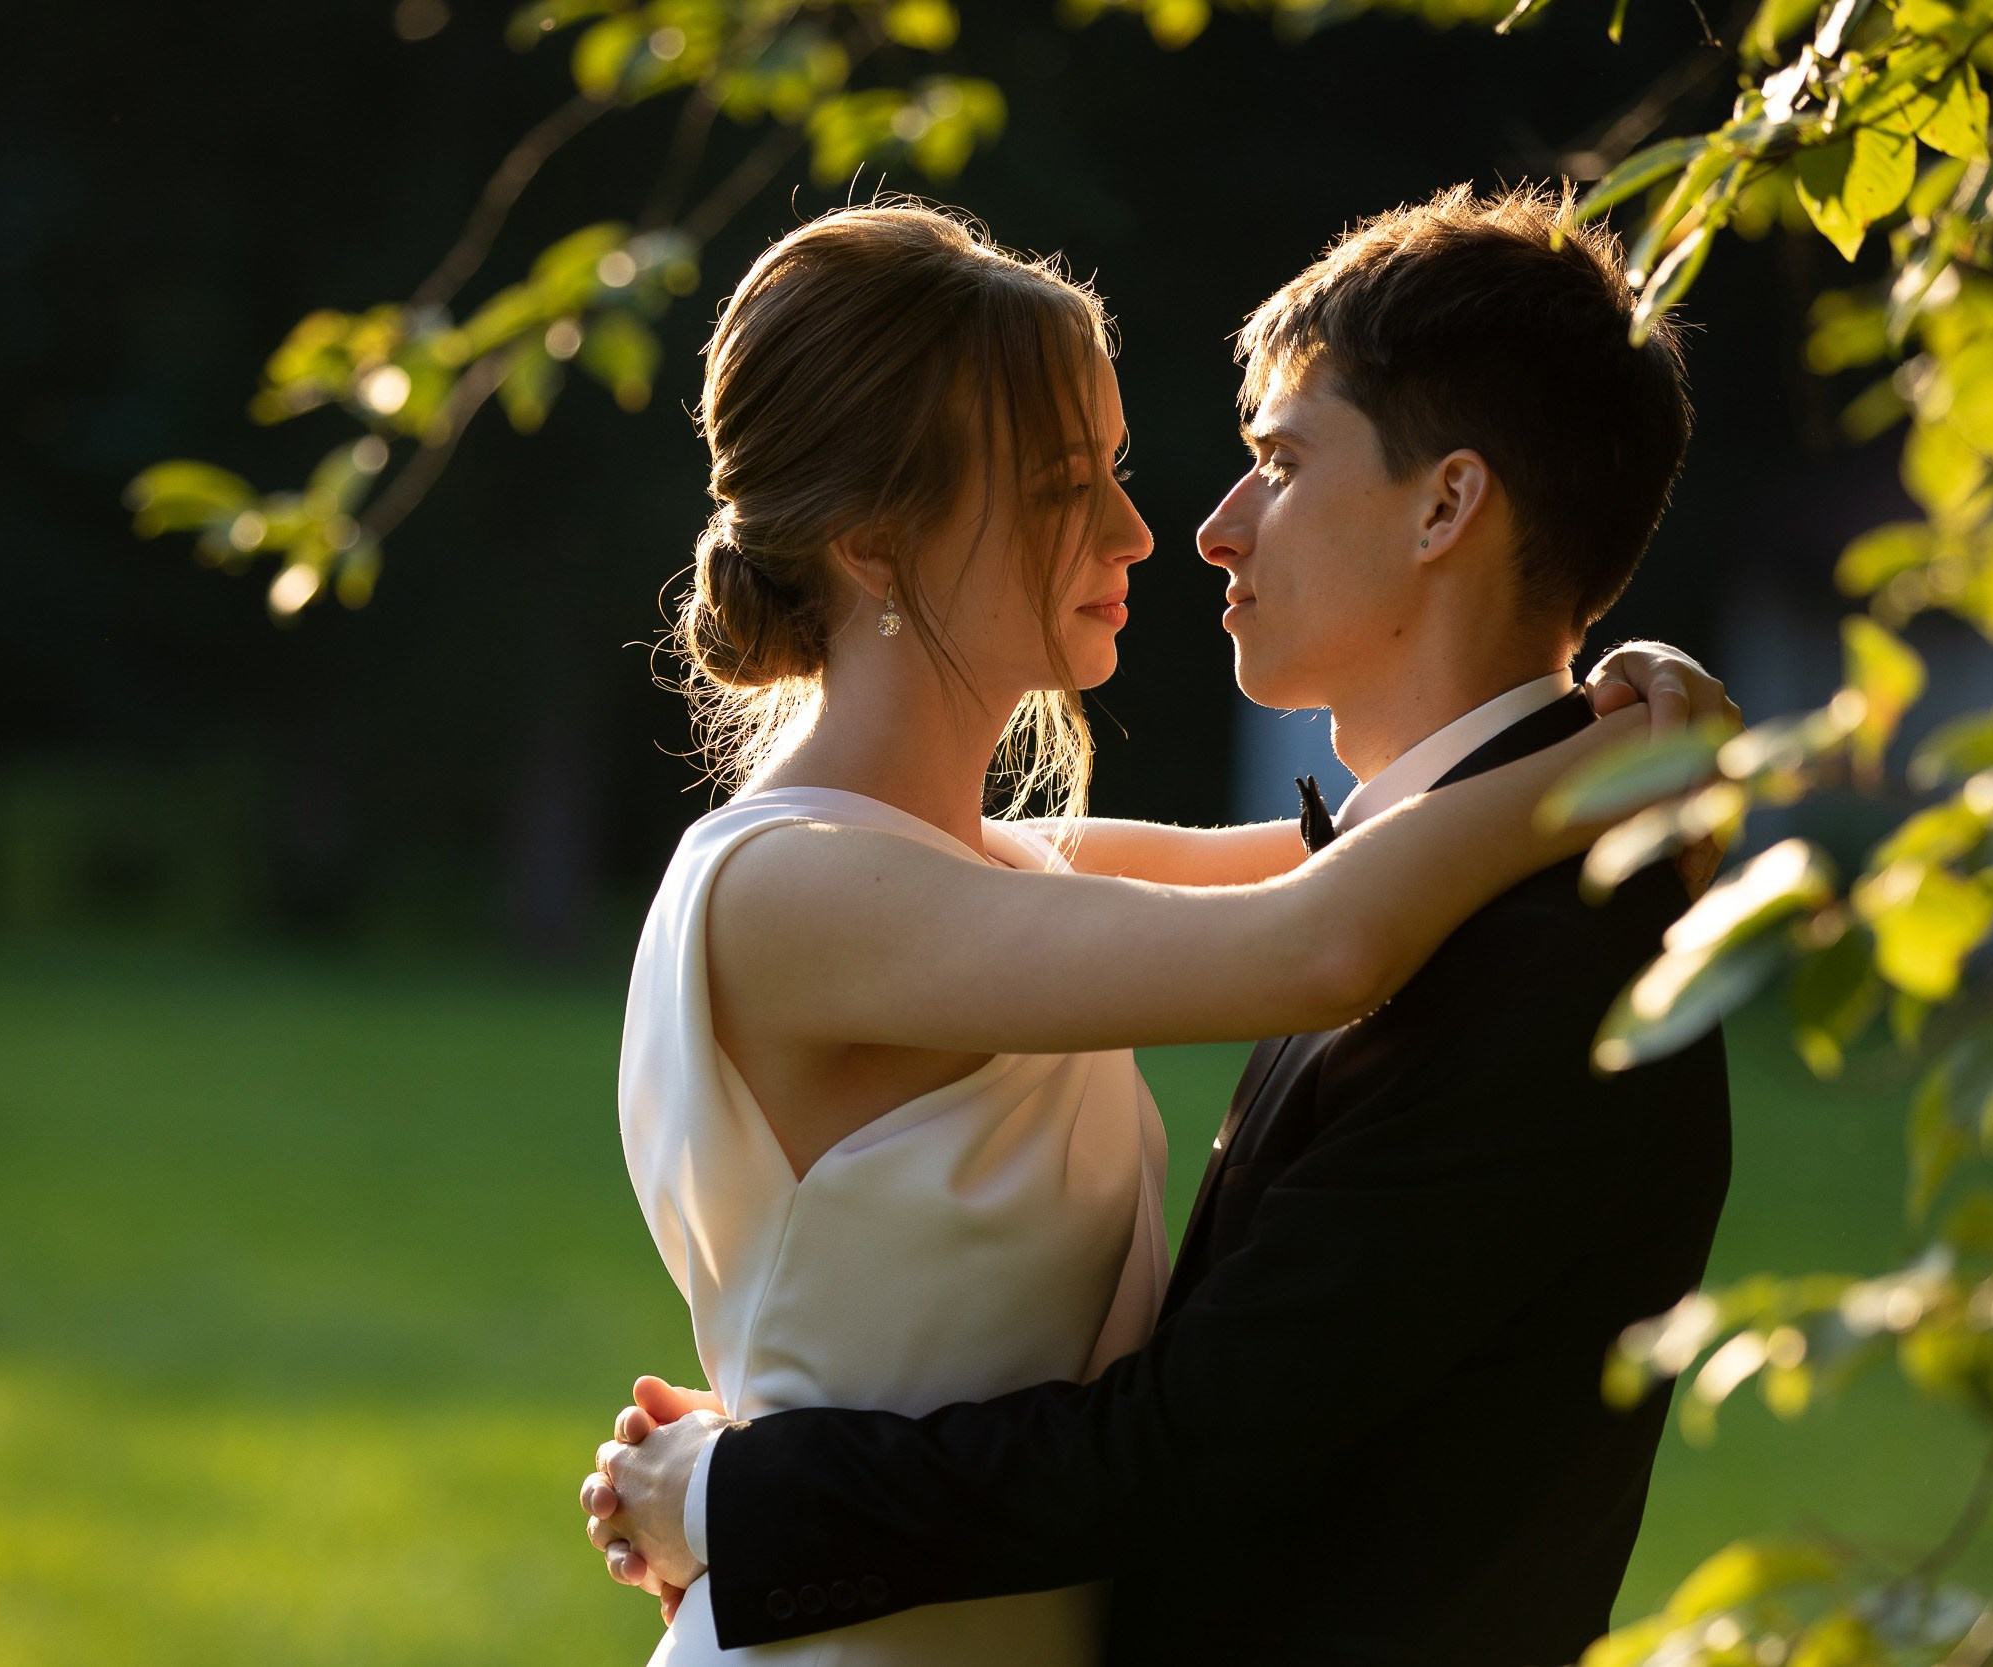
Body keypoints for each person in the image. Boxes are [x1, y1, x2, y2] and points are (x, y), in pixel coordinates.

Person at [592, 191, 1736, 1667]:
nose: (1155, 528)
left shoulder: (1013, 868)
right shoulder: (805, 893)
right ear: (878, 544)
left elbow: (1360, 858)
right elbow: (1324, 932)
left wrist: (1625, 714)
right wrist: (1619, 757)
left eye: (1123, 469)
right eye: (1067, 482)